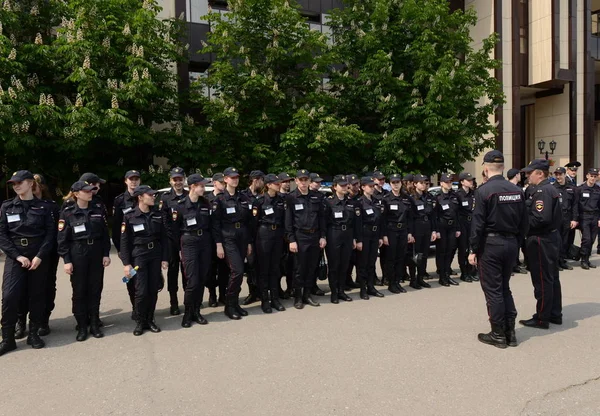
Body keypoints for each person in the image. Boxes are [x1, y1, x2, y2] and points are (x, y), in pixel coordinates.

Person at [469, 150, 527, 349]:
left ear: (485, 167)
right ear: (502, 167)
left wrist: (473, 250)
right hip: (511, 244)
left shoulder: (484, 191)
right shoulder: (517, 190)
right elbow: (524, 223)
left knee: (493, 291)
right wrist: (516, 242)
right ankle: (510, 333)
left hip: (491, 246)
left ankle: (498, 334)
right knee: (504, 287)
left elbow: (477, 224)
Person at [0, 171, 56, 356]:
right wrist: (17, 256)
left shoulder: (44, 207)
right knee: (9, 296)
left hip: (38, 257)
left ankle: (34, 334)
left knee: (37, 296)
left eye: (19, 182)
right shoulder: (7, 207)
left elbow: (50, 234)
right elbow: (2, 235)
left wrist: (40, 256)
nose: (15, 186)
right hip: (16, 257)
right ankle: (7, 338)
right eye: (13, 183)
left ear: (31, 183)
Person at [57, 181, 111, 341]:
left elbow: (104, 235)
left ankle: (94, 323)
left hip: (95, 252)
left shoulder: (98, 210)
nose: (90, 193)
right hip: (77, 253)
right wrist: (66, 260)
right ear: (76, 193)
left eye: (90, 190)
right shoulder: (67, 212)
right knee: (79, 291)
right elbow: (62, 240)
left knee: (95, 289)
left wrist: (106, 254)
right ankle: (81, 326)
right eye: (86, 191)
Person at [519, 159, 563, 329]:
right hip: (549, 238)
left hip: (540, 239)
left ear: (540, 173)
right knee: (552, 278)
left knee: (542, 279)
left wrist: (522, 223)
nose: (527, 176)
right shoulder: (548, 189)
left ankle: (542, 317)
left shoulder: (542, 191)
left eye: (530, 173)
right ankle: (554, 313)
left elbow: (541, 218)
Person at [120, 185, 169, 336]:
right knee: (141, 291)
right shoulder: (130, 215)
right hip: (139, 256)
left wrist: (165, 258)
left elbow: (164, 238)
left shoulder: (157, 214)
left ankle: (150, 319)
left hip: (154, 254)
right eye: (150, 195)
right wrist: (127, 264)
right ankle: (140, 321)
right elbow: (125, 242)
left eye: (154, 194)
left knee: (153, 289)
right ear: (140, 197)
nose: (153, 197)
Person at [211, 167, 255, 320]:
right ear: (225, 179)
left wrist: (249, 242)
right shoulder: (220, 199)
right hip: (228, 237)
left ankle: (235, 303)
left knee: (239, 270)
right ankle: (229, 305)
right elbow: (215, 224)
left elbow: (248, 222)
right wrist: (218, 244)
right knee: (237, 270)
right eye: (232, 177)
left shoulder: (243, 197)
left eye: (237, 177)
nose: (235, 179)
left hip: (242, 237)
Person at [171, 174, 213, 327]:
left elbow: (211, 224)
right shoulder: (180, 205)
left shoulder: (205, 203)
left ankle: (197, 311)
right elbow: (174, 231)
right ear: (193, 187)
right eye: (201, 186)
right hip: (189, 243)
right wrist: (179, 249)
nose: (204, 188)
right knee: (192, 281)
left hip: (205, 242)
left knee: (202, 278)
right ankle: (188, 313)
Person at [285, 169, 326, 309]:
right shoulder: (291, 197)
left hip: (314, 236)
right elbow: (288, 222)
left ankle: (307, 295)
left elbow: (321, 219)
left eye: (305, 180)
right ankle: (298, 297)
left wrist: (322, 236)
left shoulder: (316, 197)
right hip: (300, 237)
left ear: (309, 181)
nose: (303, 183)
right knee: (299, 269)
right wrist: (291, 240)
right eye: (300, 180)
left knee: (311, 267)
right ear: (296, 181)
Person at [29, 174, 60, 337]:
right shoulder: (21, 204)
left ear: (42, 187)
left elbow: (57, 231)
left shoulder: (52, 206)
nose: (33, 187)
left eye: (36, 184)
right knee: (23, 288)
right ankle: (21, 321)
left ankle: (44, 320)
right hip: (27, 252)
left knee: (47, 286)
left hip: (49, 253)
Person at [324, 175, 362, 304]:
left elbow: (356, 223)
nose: (346, 187)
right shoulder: (328, 202)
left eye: (346, 185)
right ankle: (334, 292)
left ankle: (341, 291)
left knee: (344, 264)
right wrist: (323, 237)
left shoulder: (351, 202)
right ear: (335, 187)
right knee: (334, 265)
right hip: (334, 234)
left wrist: (354, 239)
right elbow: (323, 222)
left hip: (348, 235)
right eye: (342, 185)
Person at [254, 174, 287, 313]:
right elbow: (253, 223)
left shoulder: (281, 200)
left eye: (278, 182)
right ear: (268, 185)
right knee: (264, 269)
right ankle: (265, 300)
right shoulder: (260, 201)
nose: (278, 184)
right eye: (275, 183)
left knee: (275, 268)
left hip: (277, 235)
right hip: (264, 235)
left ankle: (275, 299)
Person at [160, 167, 189, 316]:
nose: (178, 182)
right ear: (170, 181)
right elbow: (165, 223)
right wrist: (173, 241)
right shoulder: (165, 198)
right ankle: (174, 303)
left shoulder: (189, 195)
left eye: (180, 179)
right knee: (173, 273)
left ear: (184, 179)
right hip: (171, 242)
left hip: (186, 240)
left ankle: (187, 301)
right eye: (175, 179)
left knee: (186, 272)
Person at [112, 170, 141, 319]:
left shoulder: (144, 196)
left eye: (136, 179)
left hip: (143, 245)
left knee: (145, 278)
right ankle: (135, 307)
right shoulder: (120, 201)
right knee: (131, 277)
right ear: (126, 181)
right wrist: (119, 249)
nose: (134, 182)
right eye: (131, 179)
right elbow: (116, 227)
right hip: (128, 246)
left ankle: (144, 308)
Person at [381, 173, 414, 293]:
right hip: (391, 231)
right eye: (393, 183)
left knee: (401, 257)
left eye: (397, 182)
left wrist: (410, 232)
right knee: (391, 258)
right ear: (390, 184)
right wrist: (384, 235)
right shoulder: (386, 199)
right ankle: (391, 283)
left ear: (401, 183)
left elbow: (410, 217)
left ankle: (398, 281)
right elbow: (383, 219)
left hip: (403, 231)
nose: (396, 185)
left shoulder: (406, 198)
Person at [356, 176, 385, 299]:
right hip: (364, 235)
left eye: (373, 186)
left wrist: (379, 237)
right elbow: (357, 223)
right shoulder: (359, 202)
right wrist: (359, 240)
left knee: (372, 263)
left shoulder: (376, 201)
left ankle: (371, 287)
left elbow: (380, 221)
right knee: (363, 263)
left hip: (374, 235)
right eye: (370, 186)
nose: (372, 188)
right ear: (363, 187)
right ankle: (363, 289)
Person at [240, 170, 265, 306]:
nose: (263, 183)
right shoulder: (243, 196)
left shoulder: (264, 195)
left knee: (262, 265)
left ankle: (262, 292)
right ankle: (252, 292)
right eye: (262, 180)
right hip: (248, 237)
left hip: (263, 236)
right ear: (256, 180)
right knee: (250, 266)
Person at [206, 173, 228, 307]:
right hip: (209, 240)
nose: (223, 185)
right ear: (214, 183)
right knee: (211, 270)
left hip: (224, 237)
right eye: (221, 182)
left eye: (225, 183)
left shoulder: (227, 198)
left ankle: (222, 294)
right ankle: (212, 294)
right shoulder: (206, 199)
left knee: (224, 269)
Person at [435, 174, 461, 287]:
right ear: (441, 183)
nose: (449, 184)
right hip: (442, 227)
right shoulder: (437, 197)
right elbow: (434, 216)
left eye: (450, 182)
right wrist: (436, 231)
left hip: (452, 227)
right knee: (442, 252)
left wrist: (458, 228)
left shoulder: (454, 196)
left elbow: (458, 214)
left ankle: (447, 274)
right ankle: (442, 276)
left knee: (450, 251)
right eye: (447, 182)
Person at [411, 174, 437, 283]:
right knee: (416, 255)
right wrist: (410, 233)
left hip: (427, 227)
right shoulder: (411, 198)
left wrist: (434, 230)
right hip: (416, 228)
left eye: (425, 183)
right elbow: (409, 217)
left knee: (425, 254)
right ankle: (413, 278)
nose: (423, 185)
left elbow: (433, 216)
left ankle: (421, 277)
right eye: (421, 183)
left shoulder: (429, 197)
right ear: (415, 184)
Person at [553, 167, 579, 270]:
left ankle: (562, 260)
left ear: (564, 174)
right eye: (557, 174)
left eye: (560, 174)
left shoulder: (571, 188)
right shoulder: (553, 188)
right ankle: (556, 262)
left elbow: (575, 205)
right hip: (556, 217)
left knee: (565, 240)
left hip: (567, 217)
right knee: (556, 240)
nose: (558, 176)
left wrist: (574, 219)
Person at [307, 173, 327, 297]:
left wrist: (323, 235)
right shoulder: (302, 196)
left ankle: (312, 285)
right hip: (303, 234)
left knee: (315, 263)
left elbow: (322, 217)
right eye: (316, 182)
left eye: (319, 182)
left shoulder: (321, 196)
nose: (318, 184)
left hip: (317, 233)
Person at [577, 168, 600, 269]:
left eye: (595, 177)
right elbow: (575, 205)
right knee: (586, 239)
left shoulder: (598, 189)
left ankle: (587, 258)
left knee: (592, 239)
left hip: (595, 216)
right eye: (591, 176)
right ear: (587, 176)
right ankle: (583, 259)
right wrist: (576, 219)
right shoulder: (580, 188)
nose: (593, 178)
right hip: (584, 216)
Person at [456, 172, 476, 282]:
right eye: (468, 180)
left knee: (472, 247)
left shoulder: (473, 194)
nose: (471, 182)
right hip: (462, 223)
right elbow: (456, 212)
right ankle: (464, 272)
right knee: (463, 249)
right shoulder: (458, 194)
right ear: (462, 182)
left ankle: (471, 270)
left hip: (472, 223)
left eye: (471, 180)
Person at [507, 168, 528, 275]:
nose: (521, 176)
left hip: (517, 221)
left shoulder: (519, 188)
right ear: (516, 175)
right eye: (519, 174)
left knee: (517, 244)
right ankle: (510, 266)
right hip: (512, 222)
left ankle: (515, 264)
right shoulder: (509, 189)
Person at [278, 172, 295, 298]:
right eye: (285, 181)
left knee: (291, 264)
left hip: (290, 236)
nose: (287, 184)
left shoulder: (292, 197)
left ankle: (291, 288)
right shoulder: (276, 197)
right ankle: (278, 289)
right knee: (278, 264)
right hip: (278, 236)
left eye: (288, 181)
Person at [345, 174, 362, 290]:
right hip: (348, 234)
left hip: (360, 232)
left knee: (359, 259)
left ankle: (358, 280)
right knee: (348, 260)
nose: (357, 186)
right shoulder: (346, 199)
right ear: (348, 185)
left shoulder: (361, 197)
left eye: (358, 183)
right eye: (354, 184)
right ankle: (346, 280)